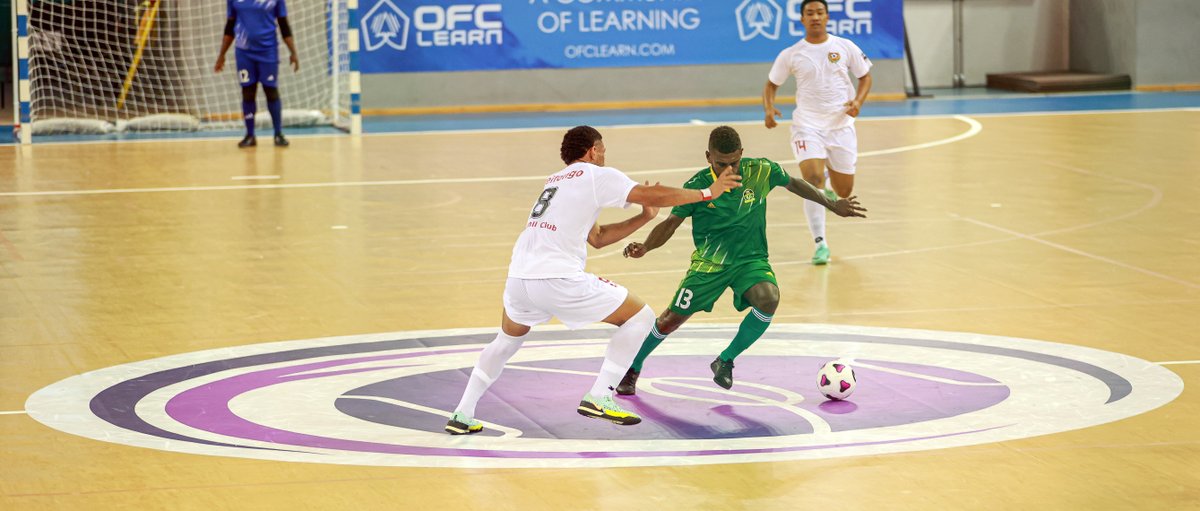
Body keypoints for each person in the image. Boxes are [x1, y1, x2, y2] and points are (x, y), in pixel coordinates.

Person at [445, 126, 743, 435]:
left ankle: (462, 413)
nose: (604, 156)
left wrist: (644, 217)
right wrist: (709, 192)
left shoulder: (555, 182)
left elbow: (598, 238)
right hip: (556, 278)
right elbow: (650, 192)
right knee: (640, 317)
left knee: (505, 341)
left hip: (520, 277)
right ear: (592, 151)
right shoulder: (593, 175)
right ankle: (601, 395)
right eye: (603, 150)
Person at [615, 126, 865, 395]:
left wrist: (832, 203)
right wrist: (646, 247)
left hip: (750, 260)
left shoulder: (761, 171)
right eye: (721, 163)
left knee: (769, 298)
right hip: (710, 265)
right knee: (669, 320)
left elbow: (795, 184)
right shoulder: (697, 186)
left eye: (734, 161)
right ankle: (633, 367)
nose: (729, 169)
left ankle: (725, 360)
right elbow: (671, 223)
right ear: (708, 157)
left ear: (742, 154)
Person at [762, 0, 872, 265]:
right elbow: (771, 84)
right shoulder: (792, 53)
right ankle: (820, 243)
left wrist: (857, 102)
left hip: (841, 127)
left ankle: (828, 183)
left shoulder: (844, 46)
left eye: (819, 12)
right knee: (812, 181)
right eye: (809, 13)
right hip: (807, 126)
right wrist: (769, 108)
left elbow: (865, 76)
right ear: (802, 19)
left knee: (844, 191)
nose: (815, 17)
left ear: (827, 16)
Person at [214, 0, 299, 148]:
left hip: (268, 52)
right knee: (248, 92)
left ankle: (278, 134)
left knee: (271, 91)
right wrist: (222, 54)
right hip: (244, 52)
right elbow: (230, 26)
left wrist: (293, 52)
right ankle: (250, 135)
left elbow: (283, 24)